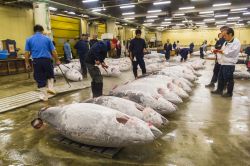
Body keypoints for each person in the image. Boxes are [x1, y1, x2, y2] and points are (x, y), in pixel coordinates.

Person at [24, 25, 60, 101]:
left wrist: (27, 63)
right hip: (47, 60)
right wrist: (57, 60)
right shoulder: (47, 39)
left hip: (37, 61)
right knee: (50, 75)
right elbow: (53, 51)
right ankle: (50, 88)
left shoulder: (29, 39)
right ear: (42, 30)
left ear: (34, 31)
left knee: (40, 78)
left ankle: (44, 97)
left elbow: (27, 53)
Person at [211, 28, 241, 97]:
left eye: (225, 35)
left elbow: (232, 53)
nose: (224, 37)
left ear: (230, 34)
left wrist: (221, 52)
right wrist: (217, 51)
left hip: (229, 64)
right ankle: (219, 90)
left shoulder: (236, 42)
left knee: (228, 79)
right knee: (220, 77)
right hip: (223, 63)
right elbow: (222, 50)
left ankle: (229, 93)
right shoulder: (226, 42)